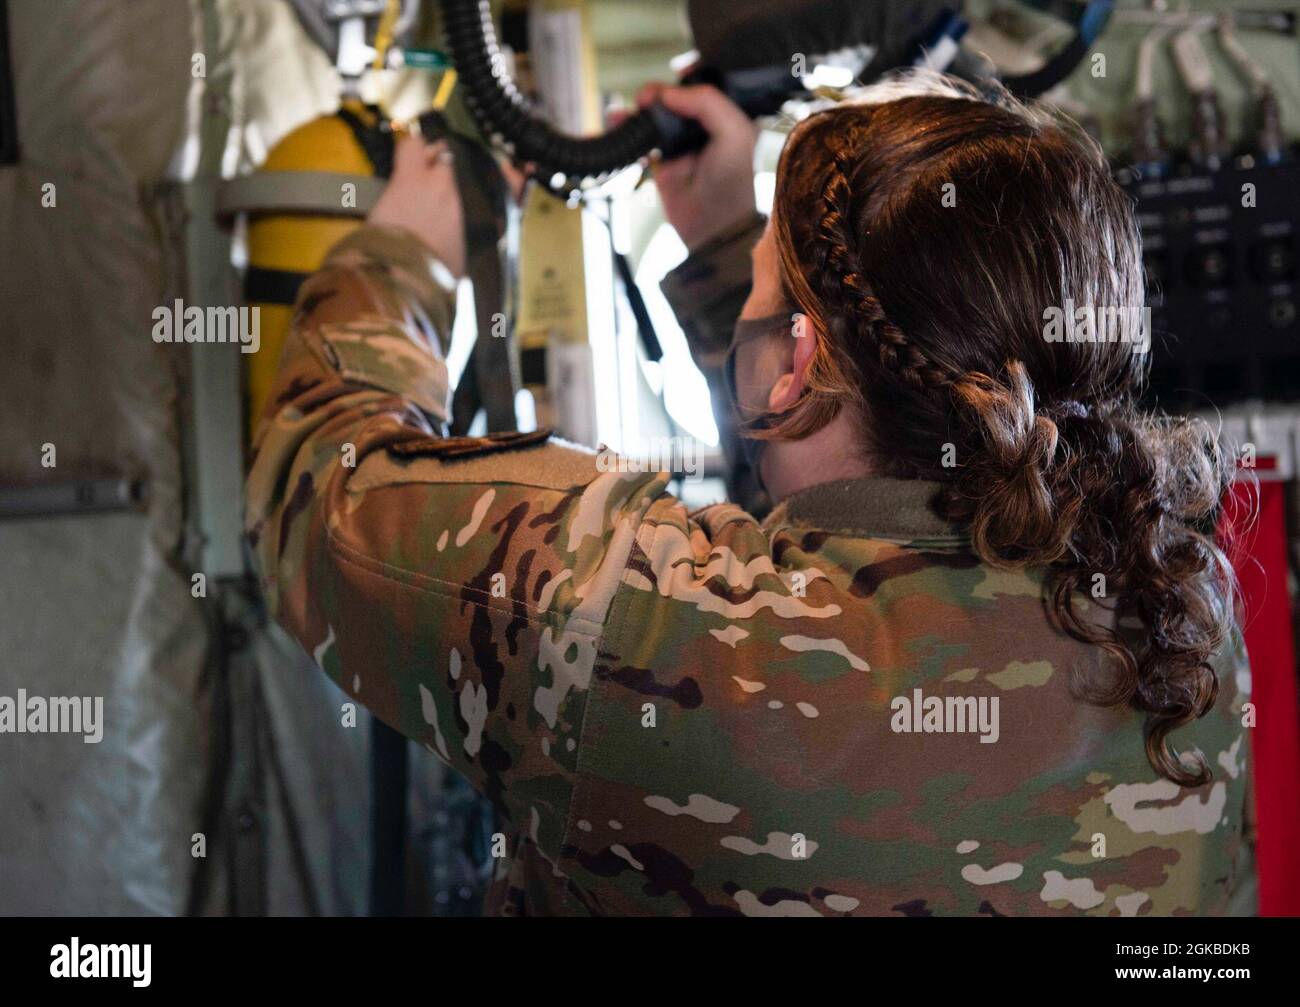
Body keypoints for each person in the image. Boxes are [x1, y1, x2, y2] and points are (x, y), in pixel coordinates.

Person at [245, 71, 1254, 916]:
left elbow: (314, 478)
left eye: (767, 291)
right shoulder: (1179, 613)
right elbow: (846, 508)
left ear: (798, 361)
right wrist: (741, 250)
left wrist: (404, 254)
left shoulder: (616, 619)